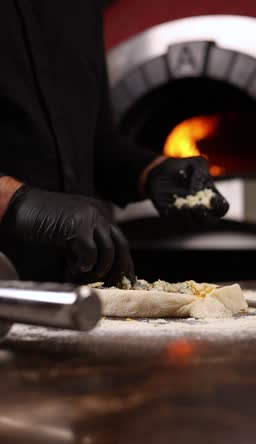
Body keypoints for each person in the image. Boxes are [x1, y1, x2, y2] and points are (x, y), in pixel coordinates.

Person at [0, 0, 229, 285]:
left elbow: (94, 145)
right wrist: (17, 204)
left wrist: (151, 172)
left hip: (79, 293)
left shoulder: (79, 8)